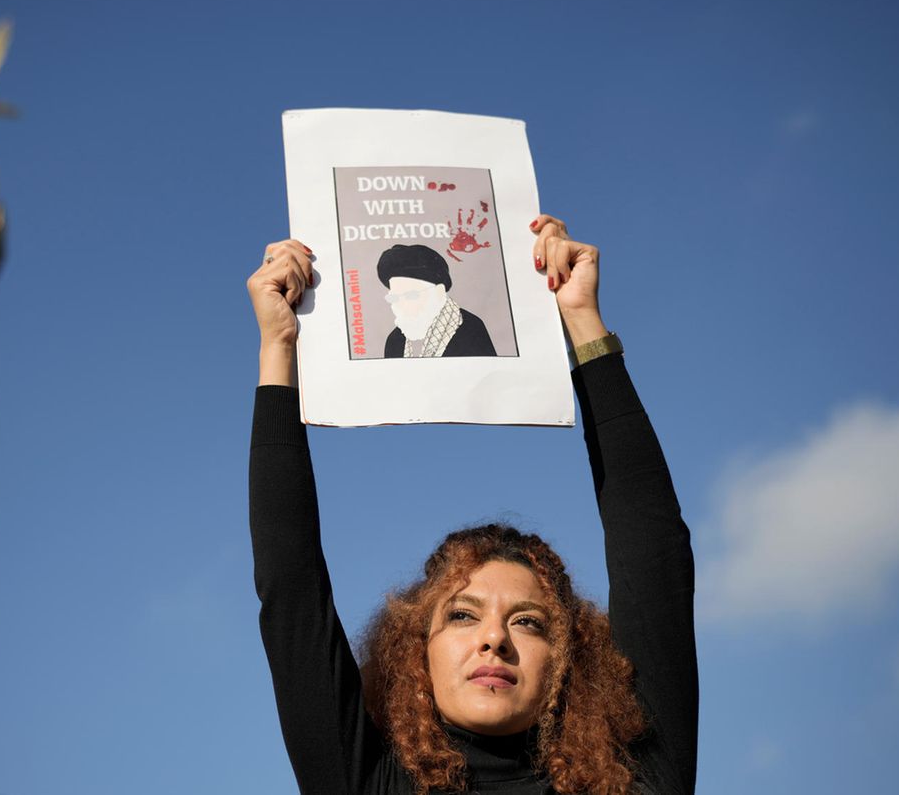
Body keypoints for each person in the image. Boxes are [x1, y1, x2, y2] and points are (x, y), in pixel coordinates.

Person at [246, 215, 697, 795]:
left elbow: (655, 558)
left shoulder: (637, 781)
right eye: (462, 615)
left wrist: (582, 320)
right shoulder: (364, 783)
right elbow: (291, 589)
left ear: (568, 664)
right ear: (415, 655)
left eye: (529, 623)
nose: (495, 640)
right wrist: (279, 347)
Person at [377, 244, 497, 358]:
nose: (401, 305)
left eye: (410, 295)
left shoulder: (471, 329)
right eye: (394, 298)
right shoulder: (395, 340)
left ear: (439, 292)